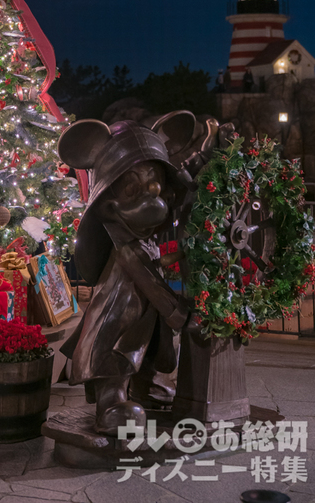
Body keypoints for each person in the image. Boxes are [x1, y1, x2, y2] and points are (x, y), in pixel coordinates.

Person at [58, 120, 199, 435]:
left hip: (139, 319)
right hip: (117, 321)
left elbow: (155, 262)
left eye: (155, 186)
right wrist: (179, 313)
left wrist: (178, 256)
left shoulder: (140, 241)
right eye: (134, 190)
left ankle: (144, 388)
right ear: (108, 205)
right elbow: (149, 280)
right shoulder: (125, 250)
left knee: (143, 351)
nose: (153, 200)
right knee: (117, 362)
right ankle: (110, 405)